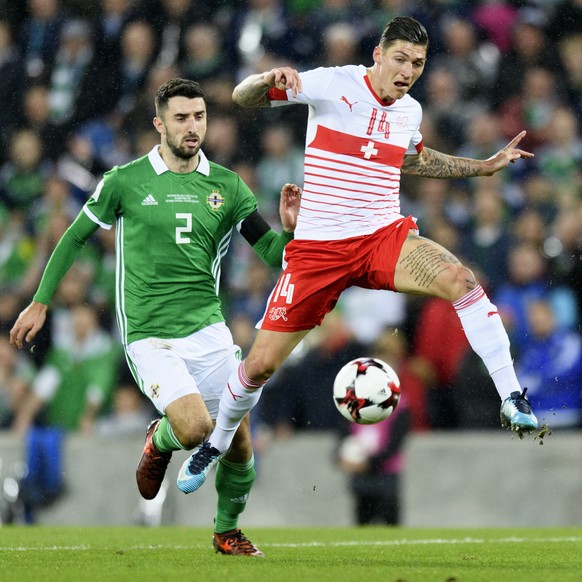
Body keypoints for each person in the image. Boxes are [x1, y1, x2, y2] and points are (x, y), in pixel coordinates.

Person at [176, 16, 540, 495]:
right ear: (377, 55)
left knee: (461, 280)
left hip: (380, 237)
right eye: (401, 59)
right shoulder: (332, 84)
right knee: (260, 365)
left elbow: (415, 159)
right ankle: (216, 445)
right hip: (318, 252)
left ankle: (511, 396)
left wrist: (483, 167)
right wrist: (265, 80)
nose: (408, 70)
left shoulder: (409, 111)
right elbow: (243, 98)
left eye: (418, 63)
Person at [10, 77, 301, 557]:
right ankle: (160, 438)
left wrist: (291, 233)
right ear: (159, 123)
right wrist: (41, 300)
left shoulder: (227, 186)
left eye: (200, 117)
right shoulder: (124, 180)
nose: (193, 127)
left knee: (241, 444)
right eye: (182, 118)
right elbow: (75, 236)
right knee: (194, 430)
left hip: (207, 330)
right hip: (148, 334)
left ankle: (226, 532)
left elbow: (271, 253)